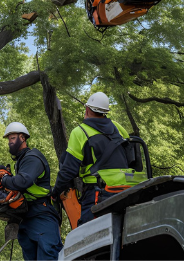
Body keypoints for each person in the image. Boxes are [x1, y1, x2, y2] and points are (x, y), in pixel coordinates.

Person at [51, 92, 131, 225]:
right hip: (126, 190)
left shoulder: (80, 132)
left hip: (98, 194)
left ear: (87, 109)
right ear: (105, 112)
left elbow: (68, 170)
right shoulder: (118, 128)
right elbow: (131, 155)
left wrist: (55, 193)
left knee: (89, 237)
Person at [0, 122, 63, 261]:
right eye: (8, 139)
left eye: (12, 138)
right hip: (27, 217)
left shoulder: (32, 157)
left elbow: (23, 182)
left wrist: (4, 179)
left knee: (49, 255)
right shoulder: (21, 161)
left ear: (22, 138)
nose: (9, 142)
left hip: (42, 214)